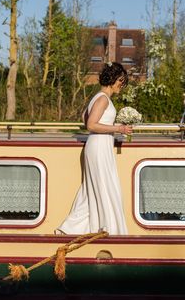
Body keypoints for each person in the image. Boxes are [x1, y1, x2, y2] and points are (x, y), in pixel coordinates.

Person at [56, 62, 132, 235]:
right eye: (121, 80)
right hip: (99, 145)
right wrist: (118, 129)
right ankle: (106, 228)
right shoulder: (103, 99)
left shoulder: (97, 97)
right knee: (104, 185)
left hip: (98, 145)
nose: (122, 85)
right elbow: (90, 125)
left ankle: (82, 227)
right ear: (112, 79)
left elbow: (85, 117)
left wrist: (110, 128)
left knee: (96, 186)